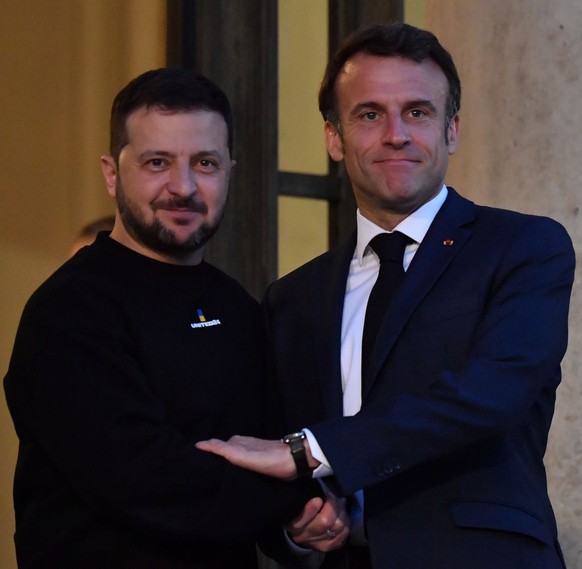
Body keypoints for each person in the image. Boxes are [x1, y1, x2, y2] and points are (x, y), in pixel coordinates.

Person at [196, 23, 575, 569]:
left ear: (452, 131)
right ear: (334, 137)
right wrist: (298, 523)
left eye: (418, 112)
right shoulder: (293, 298)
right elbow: (278, 453)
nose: (395, 133)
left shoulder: (522, 248)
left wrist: (312, 452)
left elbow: (493, 394)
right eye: (369, 114)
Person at [3, 68, 347, 569]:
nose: (182, 187)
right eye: (157, 162)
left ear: (230, 171)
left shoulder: (239, 309)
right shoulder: (70, 310)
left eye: (204, 163)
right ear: (111, 173)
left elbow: (274, 450)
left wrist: (309, 519)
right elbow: (143, 478)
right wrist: (291, 498)